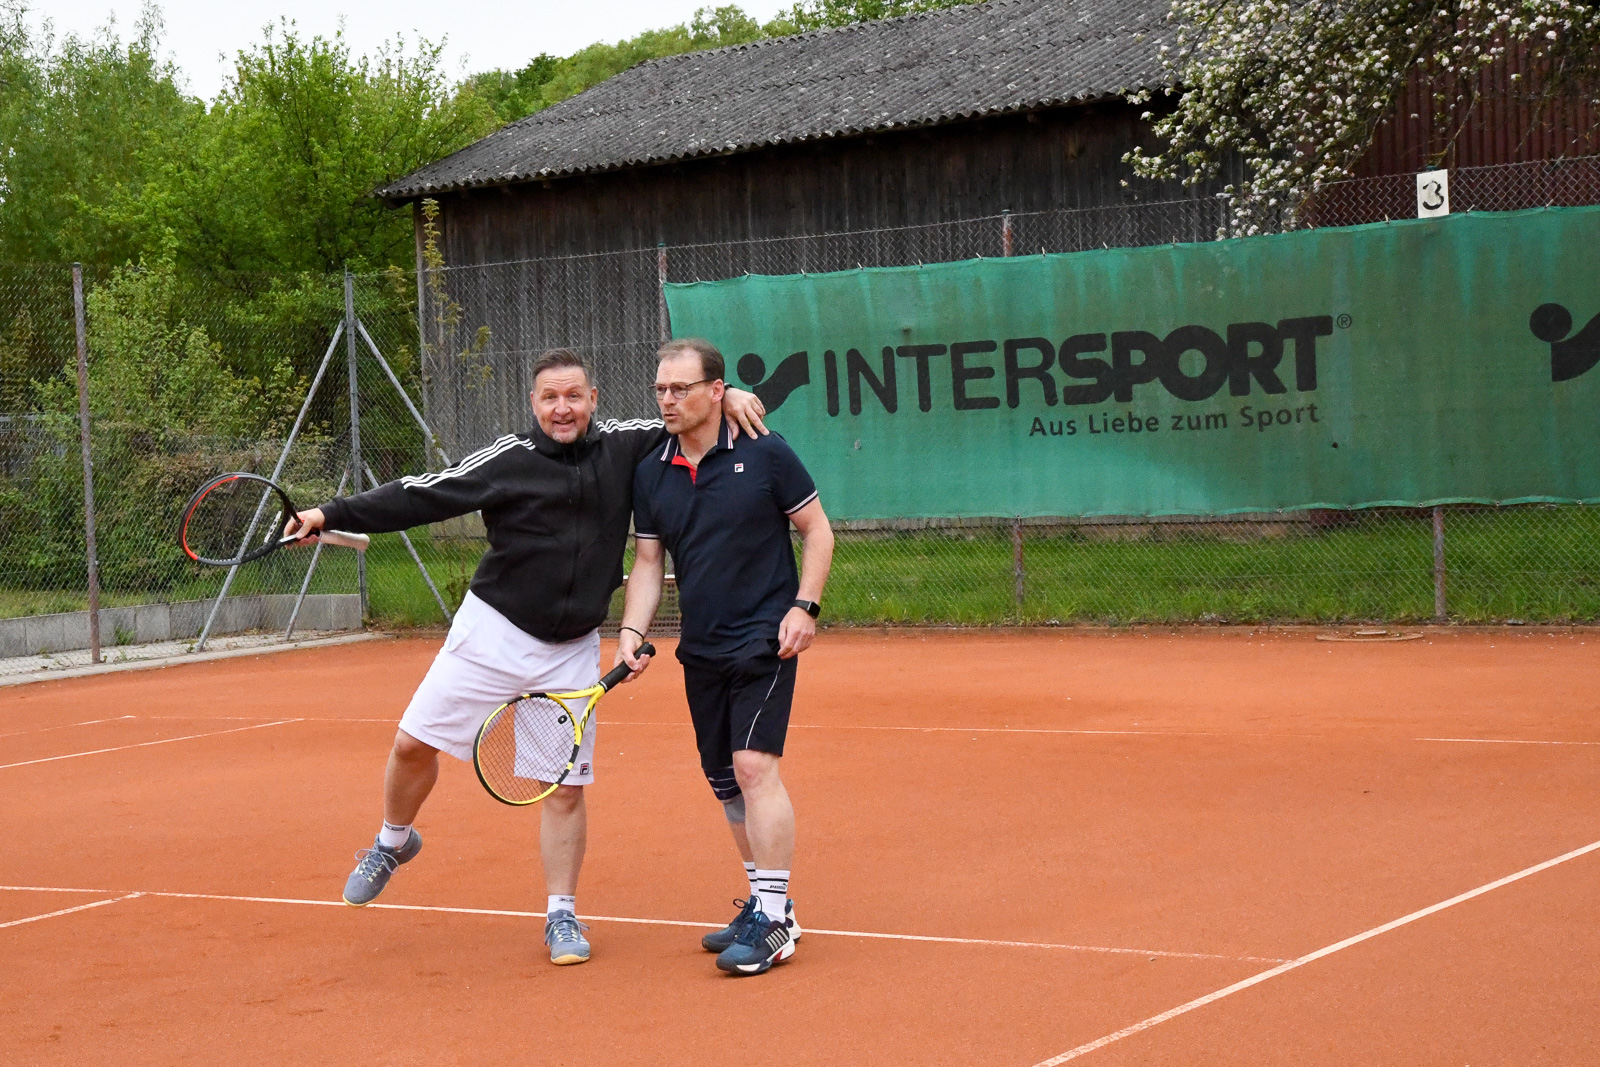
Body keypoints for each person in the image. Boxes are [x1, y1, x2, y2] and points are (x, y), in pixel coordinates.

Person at [288, 348, 766, 966]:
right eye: (550, 398)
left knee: (561, 790)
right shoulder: (506, 459)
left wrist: (729, 397)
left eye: (573, 396)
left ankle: (561, 914)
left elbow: (689, 411)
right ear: (534, 404)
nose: (562, 409)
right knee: (411, 745)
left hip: (570, 651)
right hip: (492, 632)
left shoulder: (628, 444)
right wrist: (328, 513)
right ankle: (392, 841)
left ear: (593, 400)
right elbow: (422, 494)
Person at [617, 337, 834, 976]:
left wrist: (805, 607)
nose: (667, 399)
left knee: (753, 765)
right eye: (660, 389)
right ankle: (766, 902)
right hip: (702, 644)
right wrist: (631, 629)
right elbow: (649, 562)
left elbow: (817, 530)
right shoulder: (651, 471)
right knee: (723, 779)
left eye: (680, 388)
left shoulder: (765, 450)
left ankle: (775, 918)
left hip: (765, 635)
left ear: (716, 391)